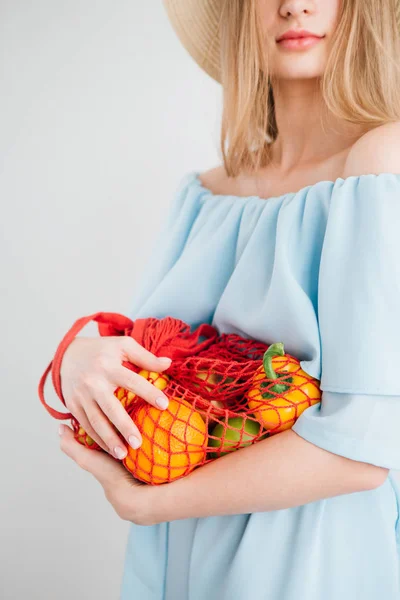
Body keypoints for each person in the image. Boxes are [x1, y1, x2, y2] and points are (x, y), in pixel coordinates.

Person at [56, 0, 400, 598]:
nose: (296, 5)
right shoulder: (200, 196)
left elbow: (366, 444)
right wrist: (78, 359)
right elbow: (156, 367)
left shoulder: (381, 164)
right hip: (178, 555)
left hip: (308, 559)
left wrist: (152, 506)